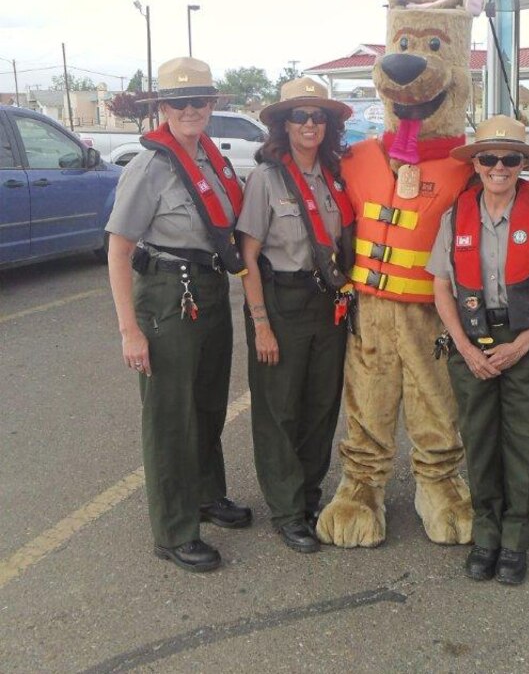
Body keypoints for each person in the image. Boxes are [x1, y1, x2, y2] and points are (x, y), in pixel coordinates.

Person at [106, 57, 252, 574]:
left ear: (213, 105)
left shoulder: (212, 158)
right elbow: (119, 249)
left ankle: (207, 495)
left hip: (210, 286)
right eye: (178, 102)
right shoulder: (150, 165)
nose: (191, 110)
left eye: (200, 101)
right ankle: (172, 530)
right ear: (162, 108)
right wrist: (130, 330)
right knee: (169, 415)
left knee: (208, 403)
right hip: (168, 292)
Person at [426, 115, 529, 585]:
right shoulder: (456, 215)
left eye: (510, 159)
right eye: (489, 158)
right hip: (473, 345)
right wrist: (465, 348)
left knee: (526, 446)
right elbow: (442, 285)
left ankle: (514, 543)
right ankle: (485, 537)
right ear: (477, 164)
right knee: (481, 443)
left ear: (523, 163)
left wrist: (524, 344)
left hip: (528, 344)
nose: (499, 167)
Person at [237, 77, 354, 553]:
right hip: (281, 302)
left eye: (318, 117)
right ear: (283, 126)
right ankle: (286, 511)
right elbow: (247, 256)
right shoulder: (266, 180)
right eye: (300, 117)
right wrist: (260, 321)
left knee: (321, 405)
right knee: (279, 408)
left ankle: (308, 496)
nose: (310, 124)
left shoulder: (335, 177)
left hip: (328, 303)